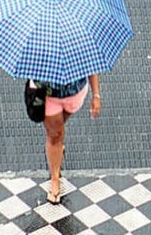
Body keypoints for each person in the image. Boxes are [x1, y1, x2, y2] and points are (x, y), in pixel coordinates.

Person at [34, 74, 101, 204]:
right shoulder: (40, 53)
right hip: (48, 95)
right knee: (55, 135)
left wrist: (96, 95)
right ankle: (55, 178)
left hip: (74, 94)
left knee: (59, 128)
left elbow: (91, 66)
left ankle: (57, 149)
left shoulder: (80, 52)